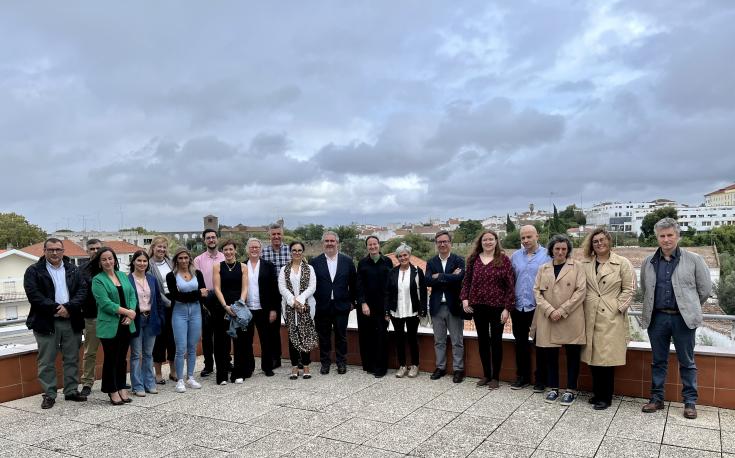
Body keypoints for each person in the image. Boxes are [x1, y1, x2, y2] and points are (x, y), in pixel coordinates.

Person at [640, 218, 712, 420]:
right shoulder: (649, 262)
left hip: (683, 319)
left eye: (670, 235)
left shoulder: (694, 259)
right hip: (658, 318)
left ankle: (690, 402)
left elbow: (705, 290)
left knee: (687, 362)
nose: (666, 239)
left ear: (678, 236)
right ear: (657, 238)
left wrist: (688, 306)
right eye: (662, 236)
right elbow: (645, 290)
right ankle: (656, 399)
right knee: (658, 361)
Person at [23, 238, 88, 409]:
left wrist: (69, 308)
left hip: (71, 320)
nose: (54, 253)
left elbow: (82, 291)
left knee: (72, 358)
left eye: (58, 249)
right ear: (44, 251)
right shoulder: (34, 271)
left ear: (63, 250)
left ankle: (71, 391)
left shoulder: (74, 269)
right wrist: (56, 309)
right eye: (50, 250)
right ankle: (50, 394)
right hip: (46, 321)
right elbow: (34, 295)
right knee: (46, 361)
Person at [533, 234, 586, 406]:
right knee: (551, 355)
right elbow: (537, 292)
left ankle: (570, 389)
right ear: (551, 250)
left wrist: (562, 310)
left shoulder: (577, 267)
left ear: (568, 250)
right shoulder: (543, 268)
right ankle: (553, 388)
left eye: (564, 249)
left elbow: (580, 292)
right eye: (557, 249)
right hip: (548, 318)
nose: (560, 252)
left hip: (570, 317)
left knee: (572, 355)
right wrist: (550, 310)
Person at [460, 230, 515, 389]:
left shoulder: (503, 260)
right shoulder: (473, 260)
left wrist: (507, 308)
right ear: (481, 242)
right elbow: (467, 281)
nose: (488, 242)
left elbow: (510, 286)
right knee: (483, 341)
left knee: (496, 342)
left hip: (497, 307)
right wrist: (465, 300)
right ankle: (486, 375)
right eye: (485, 240)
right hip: (478, 307)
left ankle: (495, 378)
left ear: (496, 241)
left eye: (491, 239)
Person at [91, 247, 137, 405]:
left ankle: (122, 387)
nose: (108, 261)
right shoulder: (98, 280)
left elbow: (131, 294)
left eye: (110, 258)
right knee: (111, 359)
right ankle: (112, 390)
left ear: (115, 260)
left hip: (126, 324)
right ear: (99, 262)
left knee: (122, 358)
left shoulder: (123, 276)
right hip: (109, 325)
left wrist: (131, 314)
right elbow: (105, 304)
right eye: (104, 259)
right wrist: (128, 313)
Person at [509, 225, 551, 392]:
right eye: (523, 238)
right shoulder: (515, 257)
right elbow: (511, 279)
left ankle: (541, 380)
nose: (525, 240)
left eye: (529, 237)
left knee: (540, 345)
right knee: (520, 344)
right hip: (518, 306)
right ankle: (523, 377)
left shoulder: (548, 255)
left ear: (537, 236)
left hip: (538, 307)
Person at [310, 231, 357, 375]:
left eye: (332, 241)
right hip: (322, 306)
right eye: (327, 241)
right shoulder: (315, 262)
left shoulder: (347, 261)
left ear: (337, 243)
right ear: (323, 243)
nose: (329, 243)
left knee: (341, 336)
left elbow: (354, 284)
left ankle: (341, 363)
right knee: (323, 336)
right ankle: (325, 363)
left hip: (341, 306)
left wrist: (352, 303)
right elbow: (311, 284)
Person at [425, 230, 466, 383]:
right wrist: (450, 277)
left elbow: (460, 277)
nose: (442, 244)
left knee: (457, 340)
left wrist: (440, 276)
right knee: (439, 340)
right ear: (436, 244)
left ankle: (458, 369)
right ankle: (440, 367)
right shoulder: (431, 262)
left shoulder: (459, 260)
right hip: (436, 306)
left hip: (453, 306)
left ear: (450, 243)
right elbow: (427, 281)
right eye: (439, 242)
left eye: (445, 241)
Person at [166, 247, 207, 393]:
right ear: (176, 260)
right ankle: (180, 380)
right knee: (180, 347)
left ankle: (190, 377)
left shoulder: (198, 273)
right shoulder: (171, 276)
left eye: (186, 258)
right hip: (179, 313)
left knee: (192, 346)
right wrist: (197, 293)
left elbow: (204, 294)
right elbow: (177, 296)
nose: (183, 261)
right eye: (180, 258)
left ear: (190, 258)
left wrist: (195, 295)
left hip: (196, 312)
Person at [384, 243, 427, 378]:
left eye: (405, 255)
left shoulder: (417, 271)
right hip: (396, 311)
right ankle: (402, 366)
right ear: (397, 258)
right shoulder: (392, 272)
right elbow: (387, 293)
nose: (403, 258)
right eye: (400, 256)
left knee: (412, 339)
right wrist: (387, 311)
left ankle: (415, 365)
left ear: (409, 255)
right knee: (399, 339)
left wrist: (423, 309)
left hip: (412, 311)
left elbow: (424, 292)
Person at [127, 250, 166, 397]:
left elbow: (158, 301)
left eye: (144, 261)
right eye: (139, 261)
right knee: (136, 354)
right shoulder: (127, 279)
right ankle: (137, 386)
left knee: (149, 354)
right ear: (133, 262)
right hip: (136, 319)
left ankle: (149, 383)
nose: (142, 263)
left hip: (151, 319)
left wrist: (160, 318)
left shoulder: (151, 279)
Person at [278, 241, 318, 380]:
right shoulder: (284, 269)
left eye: (299, 250)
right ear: (290, 252)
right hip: (289, 309)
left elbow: (312, 287)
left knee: (305, 336)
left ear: (303, 252)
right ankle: (294, 367)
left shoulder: (309, 268)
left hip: (305, 308)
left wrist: (300, 300)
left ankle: (306, 366)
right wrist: (292, 300)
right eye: (294, 250)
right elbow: (282, 287)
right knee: (292, 338)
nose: (297, 252)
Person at [356, 236, 394, 378]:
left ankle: (381, 367)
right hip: (366, 307)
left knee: (381, 337)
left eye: (375, 244)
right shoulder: (362, 263)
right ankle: (370, 365)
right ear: (367, 247)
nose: (372, 247)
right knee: (368, 336)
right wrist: (363, 303)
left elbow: (390, 286)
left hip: (382, 306)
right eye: (370, 245)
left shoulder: (387, 261)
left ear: (379, 245)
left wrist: (387, 308)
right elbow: (358, 285)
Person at [212, 240, 250, 384]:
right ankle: (222, 376)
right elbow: (217, 288)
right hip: (222, 308)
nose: (228, 252)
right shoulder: (217, 267)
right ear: (222, 252)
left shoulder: (243, 267)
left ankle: (238, 374)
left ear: (235, 250)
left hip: (239, 308)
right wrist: (225, 306)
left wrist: (238, 306)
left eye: (230, 249)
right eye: (225, 250)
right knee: (222, 343)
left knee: (239, 342)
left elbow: (245, 288)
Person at [244, 238, 279, 377]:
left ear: (261, 250)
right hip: (246, 310)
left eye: (257, 247)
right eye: (251, 247)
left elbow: (274, 289)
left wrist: (273, 309)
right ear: (247, 249)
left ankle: (267, 367)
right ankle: (249, 368)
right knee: (247, 340)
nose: (254, 250)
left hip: (264, 309)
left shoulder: (268, 266)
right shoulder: (241, 266)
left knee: (266, 340)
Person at [193, 228, 225, 378]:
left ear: (217, 239)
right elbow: (198, 281)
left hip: (222, 299)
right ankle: (208, 365)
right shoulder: (198, 260)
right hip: (205, 300)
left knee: (224, 333)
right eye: (208, 238)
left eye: (213, 237)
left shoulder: (225, 257)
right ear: (204, 241)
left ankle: (226, 361)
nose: (211, 240)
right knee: (207, 335)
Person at [148, 236, 177, 384]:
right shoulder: (149, 264)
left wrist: (176, 300)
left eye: (164, 247)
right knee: (159, 340)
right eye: (159, 247)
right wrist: (168, 303)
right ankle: (158, 373)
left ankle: (173, 371)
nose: (162, 250)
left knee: (173, 339)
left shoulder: (171, 262)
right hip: (159, 305)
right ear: (153, 248)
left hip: (175, 303)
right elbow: (153, 288)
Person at [261, 223, 290, 369]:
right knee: (272, 328)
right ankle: (275, 358)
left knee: (293, 326)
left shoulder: (290, 251)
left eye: (279, 234)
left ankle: (296, 358)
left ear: (282, 235)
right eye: (274, 234)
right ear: (269, 236)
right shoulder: (263, 253)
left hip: (289, 296)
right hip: (272, 296)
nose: (276, 237)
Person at [80, 238, 102, 397]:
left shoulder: (110, 266)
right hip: (91, 317)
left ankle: (114, 379)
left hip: (111, 317)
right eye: (92, 249)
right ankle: (87, 383)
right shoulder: (81, 270)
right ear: (87, 251)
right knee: (89, 353)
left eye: (98, 248)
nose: (95, 251)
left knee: (113, 352)